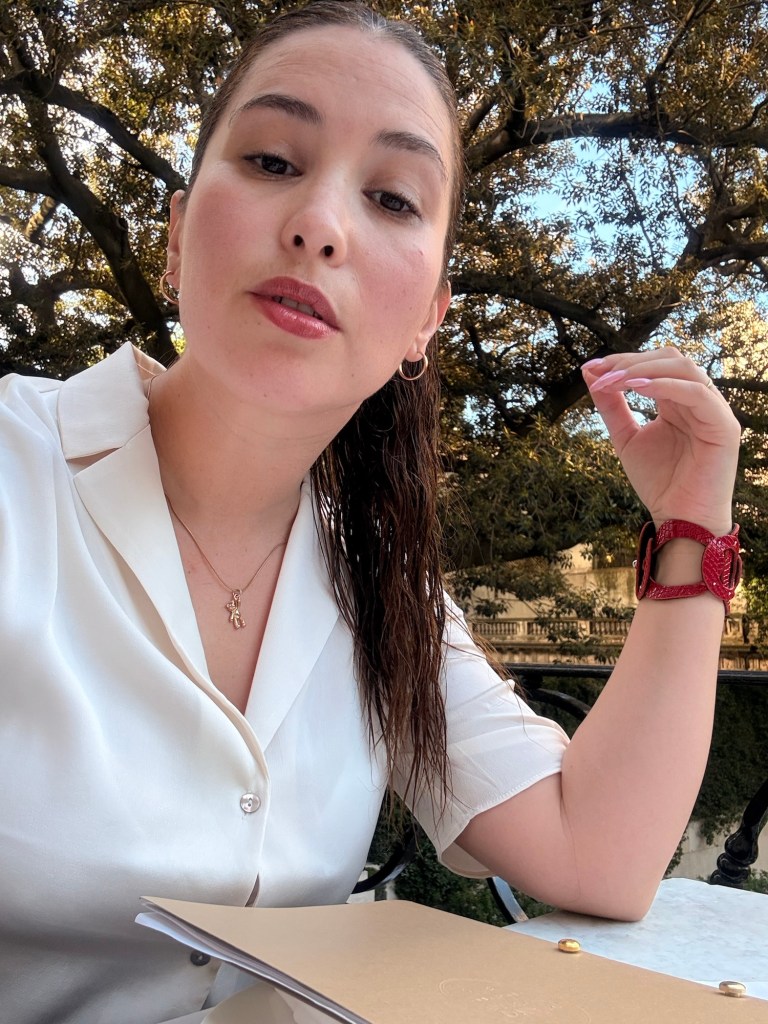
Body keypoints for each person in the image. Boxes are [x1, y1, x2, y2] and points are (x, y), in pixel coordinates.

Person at [0, 2, 742, 1023]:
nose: (320, 223)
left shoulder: (379, 579)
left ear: (428, 320)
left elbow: (598, 855)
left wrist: (693, 525)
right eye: (271, 161)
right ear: (174, 235)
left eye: (393, 197)